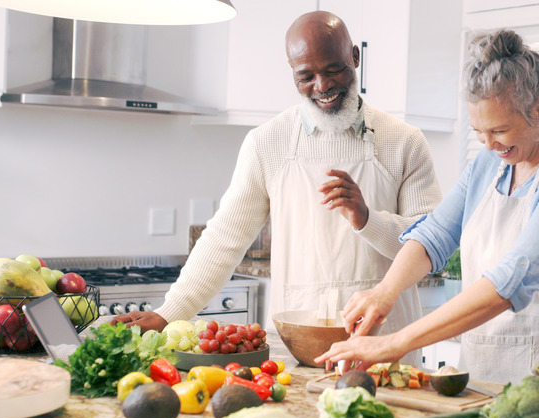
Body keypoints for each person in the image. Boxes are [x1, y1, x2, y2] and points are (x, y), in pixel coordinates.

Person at [111, 11, 442, 365]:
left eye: (333, 70)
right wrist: (169, 312)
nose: (322, 86)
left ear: (355, 58)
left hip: (387, 346)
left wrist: (366, 218)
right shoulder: (268, 142)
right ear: (293, 73)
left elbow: (431, 248)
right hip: (299, 345)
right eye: (306, 76)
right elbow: (225, 237)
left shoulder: (404, 142)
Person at [315, 29, 539, 385]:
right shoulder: (491, 164)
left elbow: (509, 282)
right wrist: (384, 293)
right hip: (486, 375)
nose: (488, 144)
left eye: (499, 130)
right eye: (478, 132)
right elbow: (436, 235)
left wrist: (395, 343)